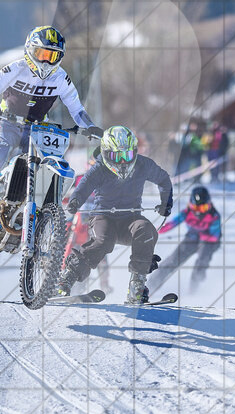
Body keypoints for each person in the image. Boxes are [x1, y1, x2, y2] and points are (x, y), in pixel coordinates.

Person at [0, 26, 101, 234]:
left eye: (52, 56)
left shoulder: (61, 79)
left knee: (38, 169)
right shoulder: (14, 69)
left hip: (36, 129)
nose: (46, 61)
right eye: (41, 54)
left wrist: (89, 127)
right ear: (30, 50)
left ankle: (20, 208)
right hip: (6, 123)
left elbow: (77, 109)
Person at [58, 126, 173, 304]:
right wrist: (75, 202)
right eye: (115, 157)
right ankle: (66, 280)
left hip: (131, 219)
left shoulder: (143, 165)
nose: (122, 162)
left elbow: (163, 179)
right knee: (103, 241)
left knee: (147, 230)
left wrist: (166, 202)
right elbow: (84, 186)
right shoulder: (99, 168)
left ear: (134, 152)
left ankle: (137, 286)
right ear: (105, 153)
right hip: (103, 217)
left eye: (126, 156)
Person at [150, 185, 221, 294]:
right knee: (172, 260)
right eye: (196, 208)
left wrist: (200, 236)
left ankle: (194, 291)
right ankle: (150, 287)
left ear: (209, 205)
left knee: (201, 263)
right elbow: (172, 223)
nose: (199, 212)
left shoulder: (214, 216)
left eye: (203, 208)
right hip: (192, 239)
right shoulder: (187, 213)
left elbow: (214, 236)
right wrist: (156, 230)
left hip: (209, 242)